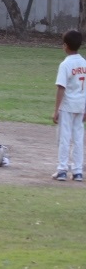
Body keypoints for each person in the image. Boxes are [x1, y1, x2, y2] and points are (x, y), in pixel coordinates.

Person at [51, 29, 86, 182]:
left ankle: (62, 170)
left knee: (65, 138)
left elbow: (61, 88)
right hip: (81, 105)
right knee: (78, 138)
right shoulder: (84, 63)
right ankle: (78, 171)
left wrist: (56, 110)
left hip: (67, 106)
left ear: (65, 45)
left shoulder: (65, 64)